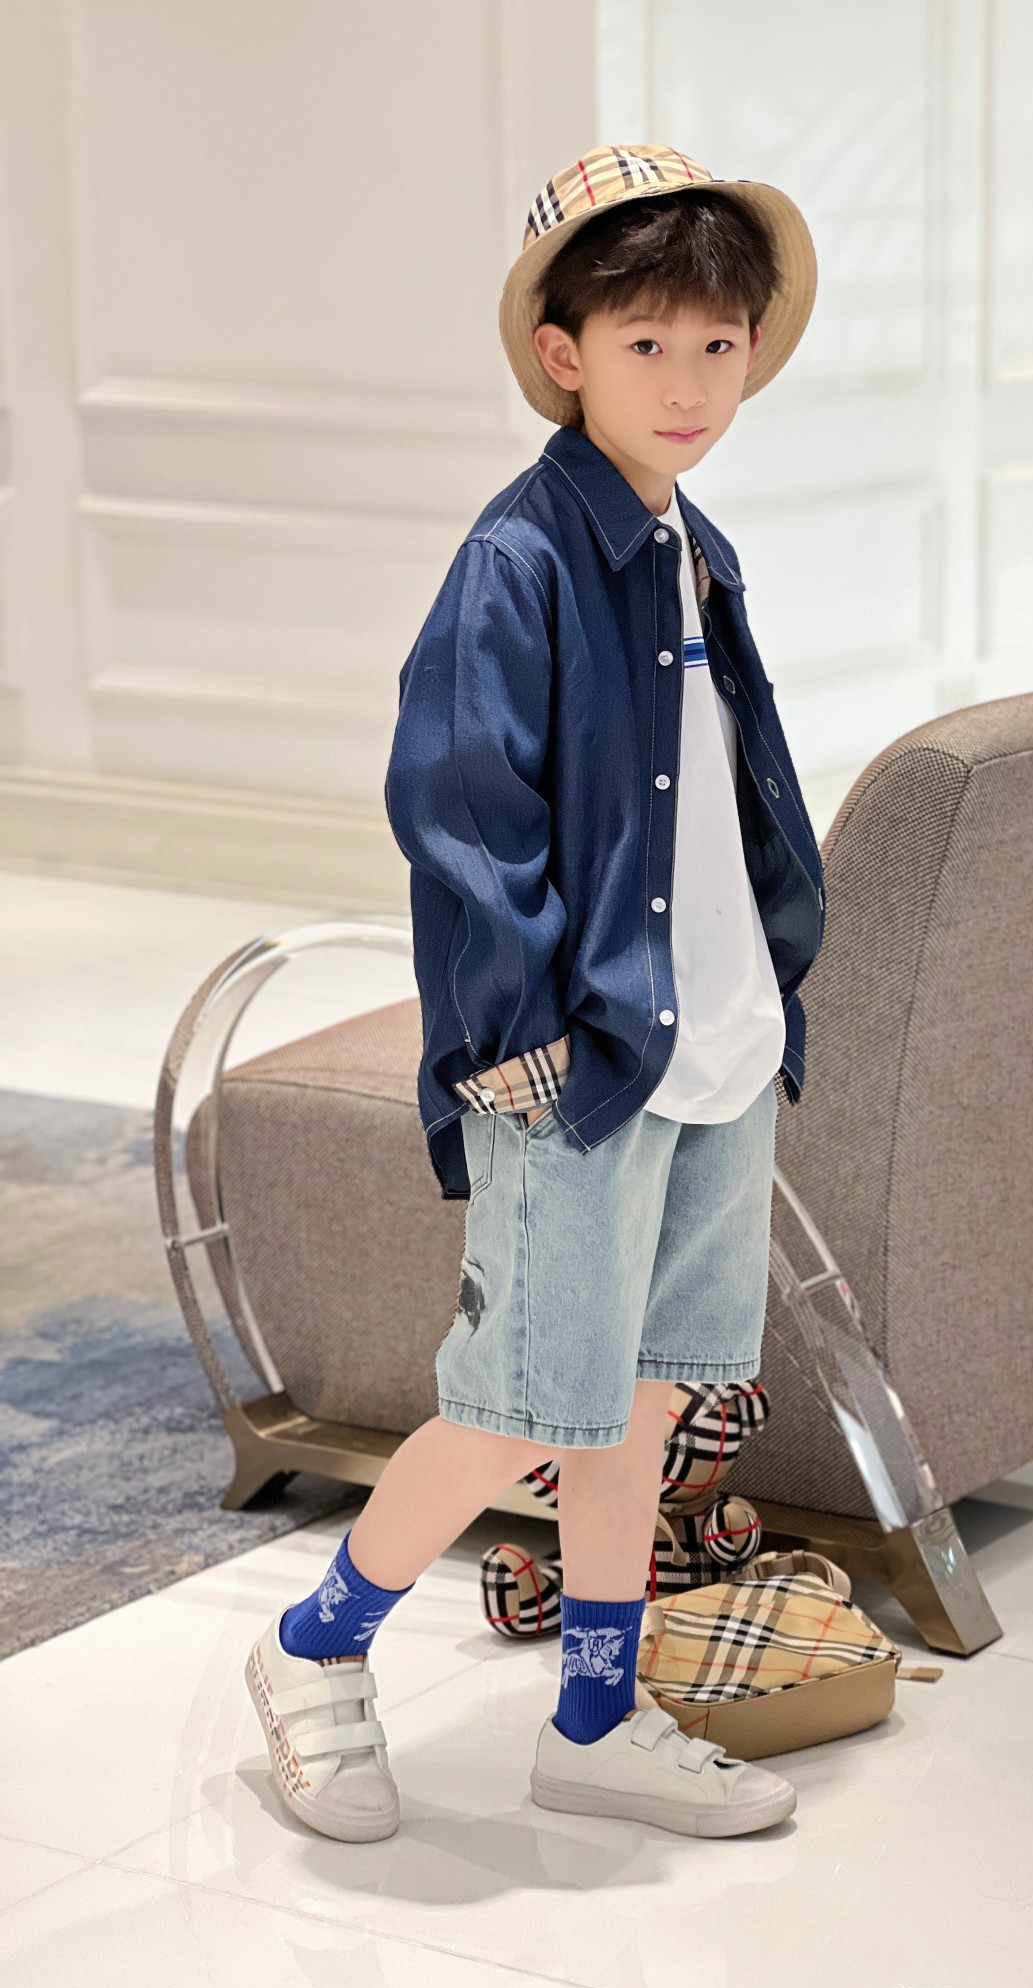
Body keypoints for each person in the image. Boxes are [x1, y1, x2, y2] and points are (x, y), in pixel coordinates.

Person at [242, 143, 827, 1844]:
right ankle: (312, 1646)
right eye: (647, 344)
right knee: (521, 1408)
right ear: (565, 354)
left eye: (719, 344)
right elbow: (459, 803)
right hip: (582, 1058)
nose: (691, 381)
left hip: (720, 1042)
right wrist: (514, 1029)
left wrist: (773, 984)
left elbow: (724, 796)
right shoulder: (521, 559)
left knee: (646, 1397)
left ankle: (593, 1713)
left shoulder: (693, 544)